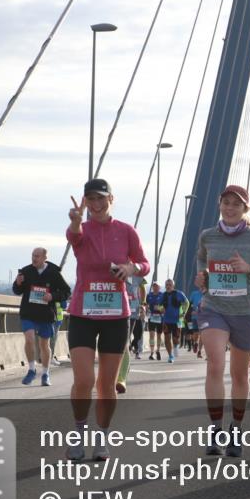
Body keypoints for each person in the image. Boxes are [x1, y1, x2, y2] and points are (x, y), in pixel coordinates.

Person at [65, 179, 150, 461]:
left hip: (116, 315)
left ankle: (102, 435)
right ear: (85, 202)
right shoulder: (83, 228)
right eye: (91, 199)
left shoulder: (126, 231)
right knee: (84, 380)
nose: (96, 204)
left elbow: (144, 263)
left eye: (101, 198)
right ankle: (78, 432)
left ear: (111, 199)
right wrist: (77, 221)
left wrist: (131, 267)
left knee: (106, 385)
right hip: (82, 313)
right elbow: (73, 237)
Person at [194, 184, 250, 457]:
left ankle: (236, 428)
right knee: (215, 365)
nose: (230, 208)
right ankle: (216, 429)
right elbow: (200, 260)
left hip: (245, 312)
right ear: (220, 204)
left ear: (245, 209)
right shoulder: (207, 236)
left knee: (240, 374)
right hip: (214, 308)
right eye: (226, 203)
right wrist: (201, 278)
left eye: (237, 204)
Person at [12, 247, 71, 387]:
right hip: (28, 313)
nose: (34, 258)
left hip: (46, 314)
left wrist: (52, 296)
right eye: (33, 255)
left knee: (44, 345)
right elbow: (16, 291)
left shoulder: (54, 273)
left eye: (37, 256)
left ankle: (45, 373)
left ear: (45, 258)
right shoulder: (26, 271)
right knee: (29, 338)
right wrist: (18, 283)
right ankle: (31, 369)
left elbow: (67, 292)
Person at [117, 274, 146, 394]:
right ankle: (116, 372)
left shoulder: (136, 270)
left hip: (131, 310)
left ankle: (121, 378)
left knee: (125, 341)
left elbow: (142, 286)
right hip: (113, 308)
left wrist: (143, 303)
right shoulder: (111, 264)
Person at [161, 279, 189, 363]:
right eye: (167, 285)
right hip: (166, 320)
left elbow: (187, 303)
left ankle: (176, 346)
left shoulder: (179, 294)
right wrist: (160, 308)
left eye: (170, 284)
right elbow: (158, 305)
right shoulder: (163, 295)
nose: (168, 286)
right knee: (166, 339)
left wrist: (184, 313)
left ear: (173, 286)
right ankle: (170, 356)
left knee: (175, 339)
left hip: (177, 320)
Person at [145, 282, 164, 359]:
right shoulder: (149, 295)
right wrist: (147, 308)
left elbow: (165, 307)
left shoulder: (162, 295)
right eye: (154, 286)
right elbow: (145, 304)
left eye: (156, 286)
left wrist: (159, 308)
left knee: (159, 335)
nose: (155, 288)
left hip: (160, 317)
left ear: (159, 287)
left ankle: (158, 350)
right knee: (151, 335)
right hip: (152, 317)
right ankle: (152, 352)